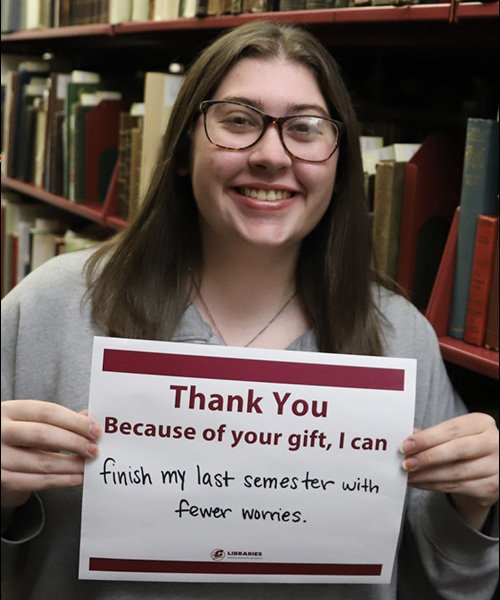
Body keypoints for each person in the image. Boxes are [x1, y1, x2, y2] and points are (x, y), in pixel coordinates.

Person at [1, 20, 498, 600]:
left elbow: (449, 587)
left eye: (306, 129)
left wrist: (473, 506)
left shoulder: (399, 337)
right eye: (238, 121)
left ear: (339, 166)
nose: (270, 155)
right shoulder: (48, 307)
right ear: (184, 149)